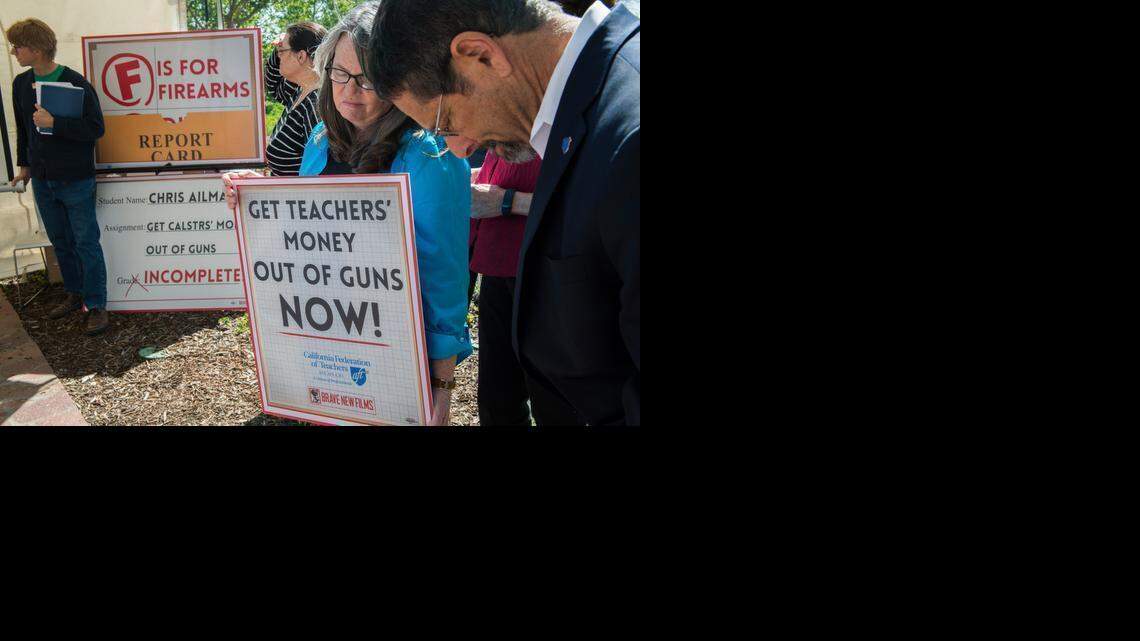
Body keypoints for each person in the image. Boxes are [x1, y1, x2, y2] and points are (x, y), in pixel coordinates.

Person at [368, 1, 641, 425]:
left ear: (480, 55)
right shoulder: (589, 106)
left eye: (447, 122)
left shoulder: (630, 134)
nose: (459, 149)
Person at [224, 2, 473, 426]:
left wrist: (442, 388)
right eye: (339, 73)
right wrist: (259, 195)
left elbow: (443, 278)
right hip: (329, 340)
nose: (348, 90)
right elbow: (311, 231)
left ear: (398, 80)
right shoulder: (321, 139)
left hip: (395, 351)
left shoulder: (430, 154)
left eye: (367, 79)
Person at [6, 18, 110, 336]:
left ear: (36, 49)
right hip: (43, 180)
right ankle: (74, 293)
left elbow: (96, 129)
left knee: (85, 243)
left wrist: (56, 123)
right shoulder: (20, 84)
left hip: (76, 179)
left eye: (18, 46)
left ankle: (96, 305)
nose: (13, 52)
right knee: (60, 242)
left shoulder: (76, 83)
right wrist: (24, 167)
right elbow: (24, 131)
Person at [264, 22, 326, 176]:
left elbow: (317, 175)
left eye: (281, 51)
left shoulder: (315, 107)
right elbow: (272, 84)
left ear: (301, 56)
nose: (278, 56)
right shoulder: (299, 92)